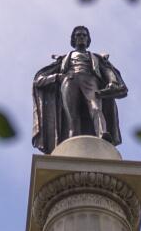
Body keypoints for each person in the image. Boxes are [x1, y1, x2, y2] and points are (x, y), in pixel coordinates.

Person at [31, 25, 128, 154]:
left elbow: (107, 70)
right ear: (73, 39)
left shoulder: (95, 58)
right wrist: (57, 77)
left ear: (88, 40)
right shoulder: (64, 59)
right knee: (72, 116)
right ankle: (73, 144)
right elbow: (39, 81)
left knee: (95, 108)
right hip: (70, 80)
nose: (81, 37)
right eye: (78, 35)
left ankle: (102, 134)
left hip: (90, 81)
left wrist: (113, 82)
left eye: (84, 35)